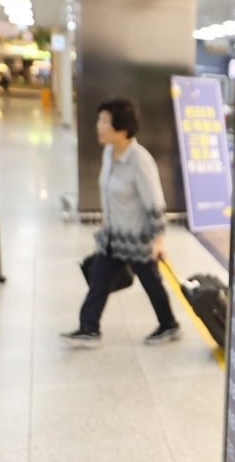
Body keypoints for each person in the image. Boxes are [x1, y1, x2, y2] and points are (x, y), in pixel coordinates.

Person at [61, 98, 180, 348]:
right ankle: (89, 328)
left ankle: (169, 325)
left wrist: (158, 241)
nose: (99, 126)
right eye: (99, 120)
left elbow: (156, 204)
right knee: (99, 281)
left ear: (122, 128)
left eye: (105, 121)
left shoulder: (140, 160)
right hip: (113, 236)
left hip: (138, 238)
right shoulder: (109, 153)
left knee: (151, 283)